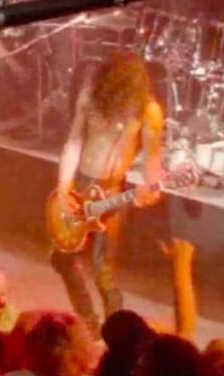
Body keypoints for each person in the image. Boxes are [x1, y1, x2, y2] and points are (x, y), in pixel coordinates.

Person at [52, 51, 164, 336]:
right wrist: (64, 188)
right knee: (62, 258)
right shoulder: (90, 97)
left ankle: (117, 334)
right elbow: (74, 142)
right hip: (80, 183)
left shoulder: (147, 110)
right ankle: (88, 321)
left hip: (111, 188)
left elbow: (152, 158)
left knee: (103, 270)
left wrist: (151, 188)